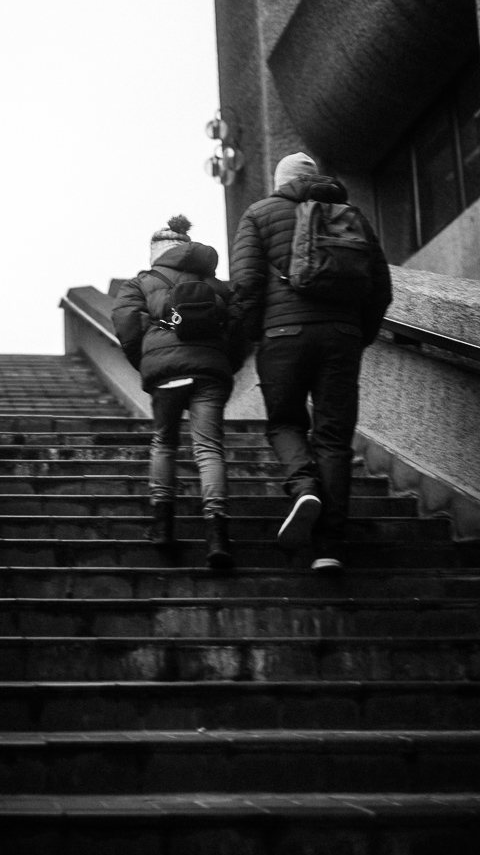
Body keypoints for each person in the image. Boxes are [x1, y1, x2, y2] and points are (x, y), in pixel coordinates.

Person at [230, 152, 392, 572]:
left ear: (279, 181)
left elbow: (246, 283)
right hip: (341, 338)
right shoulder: (351, 215)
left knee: (285, 423)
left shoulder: (258, 213)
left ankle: (304, 486)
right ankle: (330, 548)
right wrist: (359, 335)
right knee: (334, 440)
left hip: (282, 337)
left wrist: (254, 332)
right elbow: (381, 289)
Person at [112, 215, 245, 573]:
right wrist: (222, 362)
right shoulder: (216, 284)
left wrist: (147, 361)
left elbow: (126, 327)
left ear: (156, 253)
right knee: (208, 449)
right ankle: (217, 537)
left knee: (165, 444)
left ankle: (162, 527)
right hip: (209, 372)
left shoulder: (141, 283)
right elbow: (239, 326)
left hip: (165, 375)